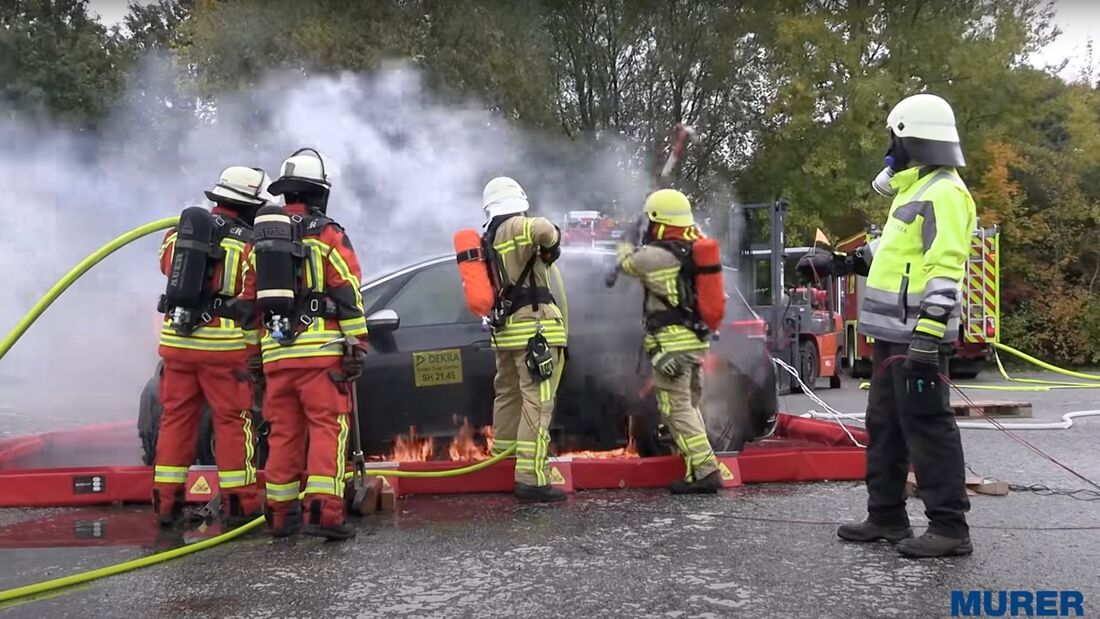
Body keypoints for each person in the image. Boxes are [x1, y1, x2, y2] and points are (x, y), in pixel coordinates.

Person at [798, 93, 975, 558]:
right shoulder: (913, 190)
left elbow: (945, 267)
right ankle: (887, 517)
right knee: (885, 425)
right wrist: (837, 263)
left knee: (928, 426)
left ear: (910, 137)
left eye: (892, 137)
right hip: (891, 337)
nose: (888, 149)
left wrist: (929, 336)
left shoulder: (946, 192)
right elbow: (889, 254)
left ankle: (950, 528)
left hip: (918, 338)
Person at [238, 148, 368, 540]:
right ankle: (325, 515)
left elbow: (248, 301)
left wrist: (255, 355)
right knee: (328, 431)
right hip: (321, 353)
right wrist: (356, 345)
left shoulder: (259, 240)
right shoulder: (328, 233)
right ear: (318, 192)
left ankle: (281, 516)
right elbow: (347, 289)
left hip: (277, 354)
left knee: (283, 434)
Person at [153, 166, 270, 527]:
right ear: (249, 204)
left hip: (177, 344)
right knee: (233, 423)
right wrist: (255, 356)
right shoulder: (249, 243)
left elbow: (165, 266)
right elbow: (252, 303)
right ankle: (240, 505)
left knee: (175, 421)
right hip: (224, 349)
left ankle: (166, 505)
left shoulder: (179, 235)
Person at [609, 189, 722, 494]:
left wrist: (629, 234)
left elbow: (626, 263)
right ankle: (695, 469)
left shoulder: (655, 257)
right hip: (695, 343)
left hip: (672, 346)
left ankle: (706, 470)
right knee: (692, 405)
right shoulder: (693, 247)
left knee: (675, 409)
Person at [482, 176, 568, 502]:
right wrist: (552, 243)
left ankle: (503, 461)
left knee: (507, 396)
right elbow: (545, 229)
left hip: (505, 333)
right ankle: (531, 478)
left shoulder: (488, 236)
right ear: (517, 202)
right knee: (537, 401)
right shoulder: (519, 225)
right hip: (535, 329)